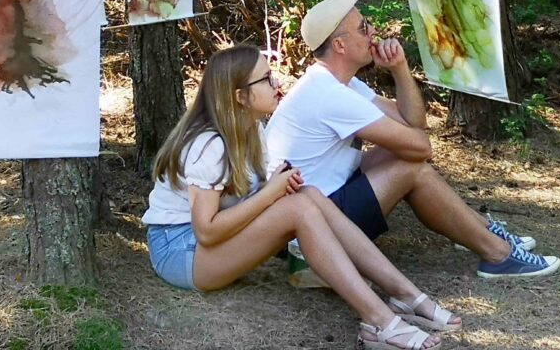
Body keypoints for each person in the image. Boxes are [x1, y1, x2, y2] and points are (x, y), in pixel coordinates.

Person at [142, 44, 461, 349]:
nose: (276, 83)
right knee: (297, 207)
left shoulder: (252, 128)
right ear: (240, 96)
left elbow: (244, 199)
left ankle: (405, 294)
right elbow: (207, 231)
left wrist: (275, 186)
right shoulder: (209, 145)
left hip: (207, 244)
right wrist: (271, 194)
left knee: (308, 194)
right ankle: (380, 321)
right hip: (179, 250)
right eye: (266, 79)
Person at [265, 0, 560, 279]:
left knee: (402, 155)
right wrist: (411, 141)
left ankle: (479, 230)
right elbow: (421, 147)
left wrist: (399, 68)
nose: (373, 31)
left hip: (312, 210)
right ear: (339, 45)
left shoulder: (339, 84)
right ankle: (497, 254)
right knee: (411, 166)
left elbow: (414, 122)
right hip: (306, 232)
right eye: (363, 27)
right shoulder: (330, 95)